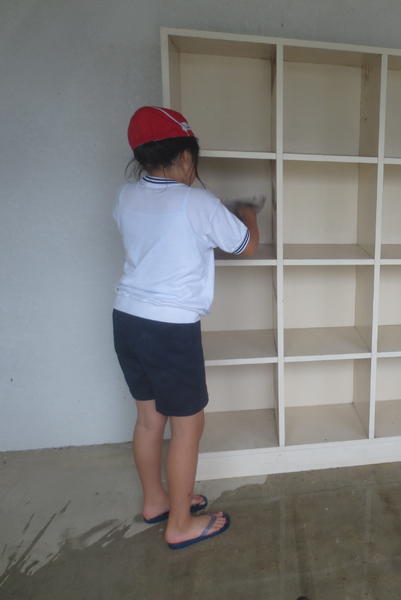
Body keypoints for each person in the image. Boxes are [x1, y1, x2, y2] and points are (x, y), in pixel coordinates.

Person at [112, 106, 258, 549]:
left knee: (148, 420)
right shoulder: (197, 203)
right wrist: (247, 212)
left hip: (126, 319)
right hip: (170, 330)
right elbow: (245, 246)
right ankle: (180, 523)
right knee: (187, 427)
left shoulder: (126, 196)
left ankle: (156, 501)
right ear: (185, 157)